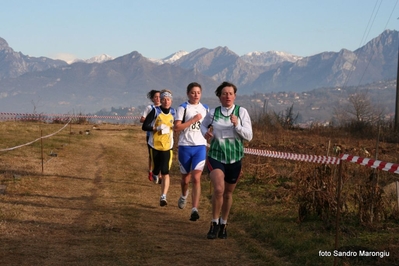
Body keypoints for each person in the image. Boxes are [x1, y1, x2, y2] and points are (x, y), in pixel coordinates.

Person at [200, 81, 252, 239]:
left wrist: (237, 126)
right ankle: (214, 223)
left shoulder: (241, 112)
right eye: (224, 93)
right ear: (219, 96)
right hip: (216, 156)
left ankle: (224, 224)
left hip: (235, 158)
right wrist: (206, 133)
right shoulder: (213, 113)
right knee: (218, 190)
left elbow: (249, 136)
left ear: (235, 96)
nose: (227, 96)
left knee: (228, 193)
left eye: (230, 93)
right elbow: (202, 126)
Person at [174, 82, 209, 221]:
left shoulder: (205, 108)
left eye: (198, 92)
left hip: (200, 146)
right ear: (188, 93)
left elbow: (209, 126)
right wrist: (193, 120)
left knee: (196, 178)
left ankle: (194, 209)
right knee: (185, 179)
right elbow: (177, 127)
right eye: (193, 92)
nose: (196, 95)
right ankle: (184, 195)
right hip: (185, 146)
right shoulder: (183, 108)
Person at [142, 89, 175, 206]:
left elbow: (179, 126)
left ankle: (163, 196)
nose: (166, 102)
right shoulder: (155, 112)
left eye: (168, 99)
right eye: (164, 99)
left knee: (166, 172)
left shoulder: (174, 113)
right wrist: (156, 128)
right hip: (155, 146)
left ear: (171, 101)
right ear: (160, 100)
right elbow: (144, 126)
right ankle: (155, 174)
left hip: (168, 147)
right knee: (156, 170)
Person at [140, 90, 161, 182]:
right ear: (152, 98)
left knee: (161, 155)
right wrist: (150, 123)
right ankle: (151, 171)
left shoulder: (164, 108)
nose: (157, 98)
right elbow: (142, 119)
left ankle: (159, 174)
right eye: (155, 97)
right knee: (152, 155)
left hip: (162, 135)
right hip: (151, 134)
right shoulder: (150, 108)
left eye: (159, 96)